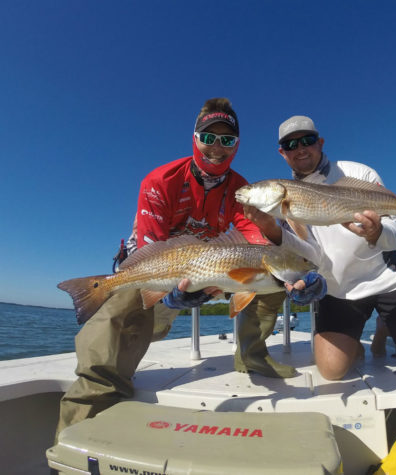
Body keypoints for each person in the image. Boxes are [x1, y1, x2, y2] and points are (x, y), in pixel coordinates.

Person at [55, 99, 323, 441]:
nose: (216, 147)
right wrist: (170, 294)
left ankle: (251, 356)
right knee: (122, 308)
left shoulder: (242, 192)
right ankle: (92, 403)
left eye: (227, 140)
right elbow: (153, 250)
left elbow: (258, 243)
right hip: (163, 268)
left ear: (237, 146)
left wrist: (296, 274)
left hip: (211, 269)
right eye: (208, 137)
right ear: (194, 138)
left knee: (266, 279)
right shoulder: (160, 181)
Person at [242, 115, 396, 380]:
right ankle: (357, 336)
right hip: (339, 290)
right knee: (331, 372)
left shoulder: (358, 172)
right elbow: (309, 253)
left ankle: (383, 327)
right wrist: (272, 230)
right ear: (282, 153)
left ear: (320, 142)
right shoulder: (282, 208)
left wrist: (377, 231)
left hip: (387, 280)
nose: (300, 148)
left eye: (307, 140)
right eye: (291, 145)